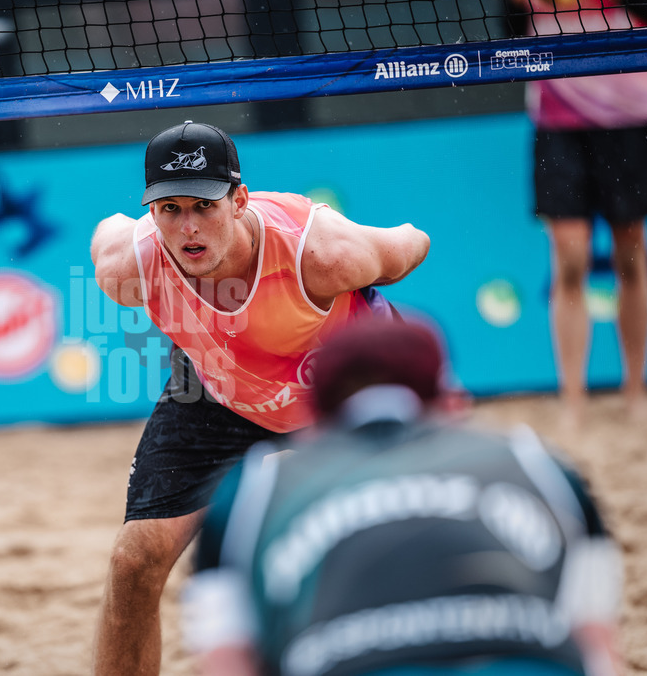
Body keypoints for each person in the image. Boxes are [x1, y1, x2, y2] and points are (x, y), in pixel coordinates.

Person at [89, 120, 430, 675]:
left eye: (203, 206)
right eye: (169, 208)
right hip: (218, 390)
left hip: (337, 390)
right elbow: (107, 232)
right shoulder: (130, 266)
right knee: (134, 561)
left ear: (240, 199)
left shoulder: (322, 255)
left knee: (394, 551)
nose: (187, 227)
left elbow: (413, 243)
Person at [183, 318, 624, 676]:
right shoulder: (535, 460)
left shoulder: (254, 491)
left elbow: (229, 661)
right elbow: (599, 649)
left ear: (315, 418)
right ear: (449, 400)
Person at [508, 0, 647, 425]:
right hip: (558, 111)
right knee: (570, 255)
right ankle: (572, 400)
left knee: (632, 253)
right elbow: (509, 19)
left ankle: (636, 393)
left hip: (629, 109)